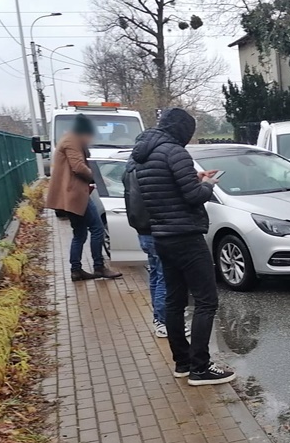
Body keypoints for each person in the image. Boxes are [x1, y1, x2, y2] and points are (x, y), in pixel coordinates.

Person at [131, 108, 235, 386]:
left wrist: (196, 178)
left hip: (162, 236)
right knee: (206, 301)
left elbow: (167, 190)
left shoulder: (144, 154)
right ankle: (201, 368)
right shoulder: (175, 152)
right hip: (187, 237)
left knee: (174, 301)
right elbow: (193, 197)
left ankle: (183, 362)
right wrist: (208, 184)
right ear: (182, 130)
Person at [46, 114, 122, 281]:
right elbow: (78, 167)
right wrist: (96, 178)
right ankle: (99, 267)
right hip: (75, 194)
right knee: (97, 229)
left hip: (71, 194)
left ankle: (76, 270)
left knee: (80, 233)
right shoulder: (72, 141)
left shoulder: (68, 139)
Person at [122, 155, 191, 340]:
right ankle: (164, 322)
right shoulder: (152, 169)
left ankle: (158, 318)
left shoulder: (130, 168)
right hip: (157, 229)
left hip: (142, 230)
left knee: (155, 274)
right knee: (165, 279)